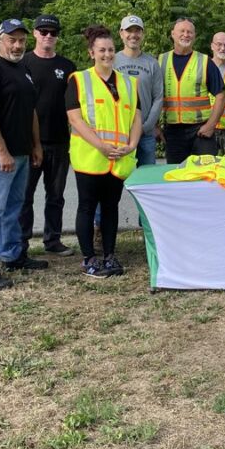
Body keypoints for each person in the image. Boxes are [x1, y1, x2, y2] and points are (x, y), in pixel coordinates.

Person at [0, 19, 47, 291]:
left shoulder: (23, 68)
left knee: (14, 207)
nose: (17, 45)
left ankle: (13, 255)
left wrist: (36, 145)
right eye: (12, 40)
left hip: (22, 153)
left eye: (21, 41)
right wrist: (2, 151)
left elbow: (31, 111)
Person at [67, 25, 142, 278]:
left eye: (110, 49)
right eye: (101, 50)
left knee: (111, 207)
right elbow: (75, 119)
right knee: (87, 207)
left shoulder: (129, 83)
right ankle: (89, 258)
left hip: (119, 158)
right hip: (91, 157)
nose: (107, 54)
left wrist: (132, 144)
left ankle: (110, 255)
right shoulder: (79, 80)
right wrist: (100, 145)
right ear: (92, 53)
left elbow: (136, 117)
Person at [19, 14, 76, 259]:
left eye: (53, 32)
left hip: (59, 140)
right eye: (43, 31)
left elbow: (75, 105)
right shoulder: (22, 63)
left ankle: (53, 240)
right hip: (28, 142)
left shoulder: (67, 66)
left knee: (56, 196)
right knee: (24, 196)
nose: (48, 36)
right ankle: (21, 242)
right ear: (34, 33)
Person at [158, 17, 225, 164]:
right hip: (173, 131)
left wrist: (211, 125)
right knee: (176, 174)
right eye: (182, 31)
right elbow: (153, 97)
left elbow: (221, 96)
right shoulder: (161, 61)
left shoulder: (205, 61)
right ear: (172, 34)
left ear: (194, 36)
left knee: (206, 174)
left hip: (201, 131)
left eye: (190, 32)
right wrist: (155, 126)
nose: (186, 34)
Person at [114, 14, 163, 168]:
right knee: (119, 177)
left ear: (142, 34)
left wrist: (145, 127)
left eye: (137, 31)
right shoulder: (112, 61)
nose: (133, 35)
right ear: (121, 33)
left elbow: (158, 98)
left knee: (146, 177)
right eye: (129, 30)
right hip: (120, 132)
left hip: (145, 134)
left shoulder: (152, 63)